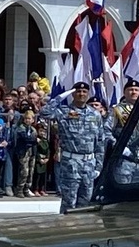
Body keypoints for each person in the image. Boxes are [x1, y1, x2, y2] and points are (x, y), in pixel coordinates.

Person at [39, 81, 104, 213]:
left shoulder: (95, 114)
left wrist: (98, 166)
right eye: (78, 92)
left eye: (84, 92)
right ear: (73, 94)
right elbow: (44, 113)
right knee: (69, 200)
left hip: (89, 163)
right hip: (71, 162)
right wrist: (59, 97)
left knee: (86, 200)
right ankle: (66, 227)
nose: (81, 94)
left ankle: (81, 229)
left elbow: (100, 141)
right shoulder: (63, 112)